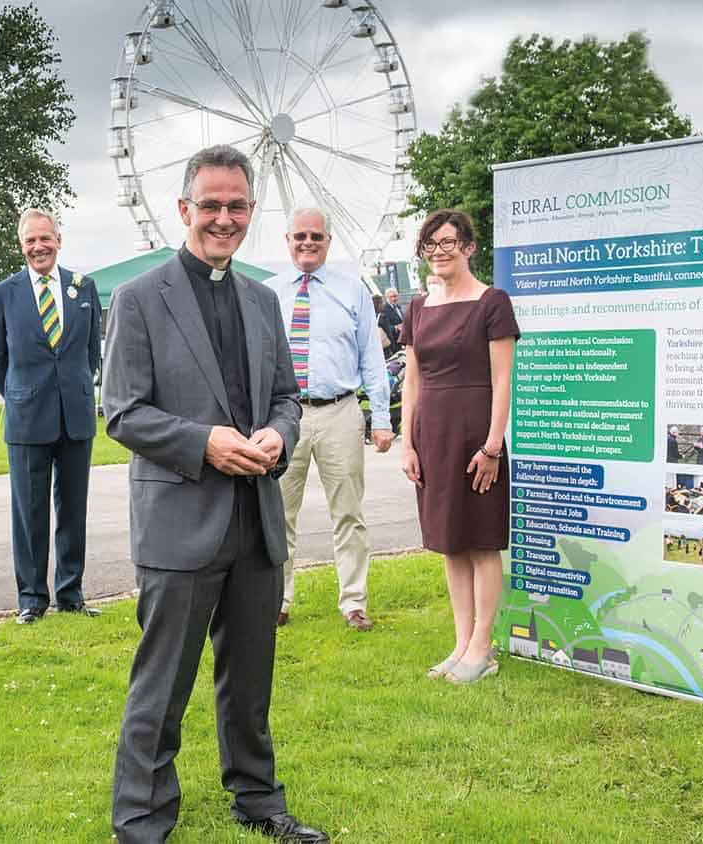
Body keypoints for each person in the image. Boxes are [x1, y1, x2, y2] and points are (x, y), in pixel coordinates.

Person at [104, 145, 326, 844]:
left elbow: (289, 398)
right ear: (183, 210)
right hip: (180, 521)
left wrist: (277, 436)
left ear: (251, 211)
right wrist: (203, 442)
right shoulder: (139, 298)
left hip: (256, 518)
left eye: (236, 206)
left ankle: (258, 802)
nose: (223, 219)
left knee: (250, 682)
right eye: (211, 206)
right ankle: (141, 821)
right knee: (162, 686)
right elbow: (122, 411)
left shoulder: (264, 300)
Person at [398, 209, 519, 685]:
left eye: (449, 242)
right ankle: (462, 642)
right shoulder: (416, 307)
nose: (439, 252)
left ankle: (483, 648)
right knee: (451, 545)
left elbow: (502, 378)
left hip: (476, 437)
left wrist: (492, 447)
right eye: (431, 244)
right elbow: (411, 380)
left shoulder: (493, 302)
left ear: (469, 247)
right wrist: (408, 444)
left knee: (483, 542)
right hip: (433, 437)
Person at [265, 208, 393, 631]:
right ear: (287, 240)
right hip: (284, 415)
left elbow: (371, 358)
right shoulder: (268, 293)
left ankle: (354, 602)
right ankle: (277, 600)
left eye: (316, 236)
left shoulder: (351, 290)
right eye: (300, 235)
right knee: (278, 513)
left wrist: (381, 418)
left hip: (339, 410)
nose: (307, 242)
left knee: (348, 512)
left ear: (328, 241)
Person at [0, 209, 103, 625]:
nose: (38, 247)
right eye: (30, 241)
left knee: (73, 508)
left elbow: (91, 353)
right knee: (29, 512)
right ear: (22, 246)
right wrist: (21, 394)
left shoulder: (83, 288)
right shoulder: (4, 293)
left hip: (76, 415)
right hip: (27, 418)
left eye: (45, 239)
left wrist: (70, 388)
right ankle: (32, 598)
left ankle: (71, 593)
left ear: (58, 240)